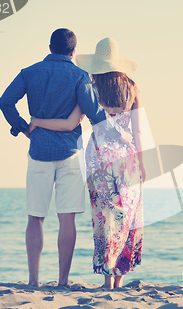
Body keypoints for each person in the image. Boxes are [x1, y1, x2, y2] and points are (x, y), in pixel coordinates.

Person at [0, 29, 132, 287]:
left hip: (39, 152)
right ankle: (62, 281)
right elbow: (96, 116)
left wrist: (22, 126)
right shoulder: (80, 76)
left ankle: (33, 280)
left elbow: (5, 101)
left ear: (49, 48)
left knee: (35, 217)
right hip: (70, 155)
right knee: (67, 218)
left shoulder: (29, 72)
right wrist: (123, 138)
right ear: (73, 52)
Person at [29, 37, 145, 290]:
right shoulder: (132, 88)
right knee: (127, 216)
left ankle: (107, 281)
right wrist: (144, 164)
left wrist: (38, 121)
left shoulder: (90, 87)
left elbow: (70, 124)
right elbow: (139, 131)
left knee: (105, 217)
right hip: (128, 159)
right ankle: (120, 279)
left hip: (100, 158)